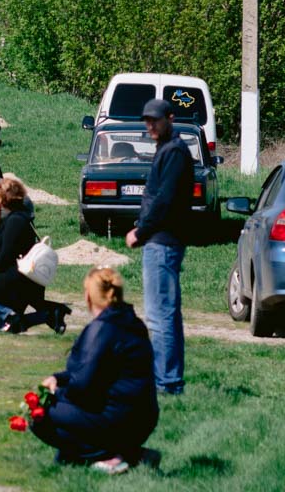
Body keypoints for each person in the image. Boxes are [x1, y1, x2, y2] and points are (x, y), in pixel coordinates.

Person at [33, 267, 159, 473]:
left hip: (118, 417)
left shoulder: (101, 329)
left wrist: (56, 394)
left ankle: (116, 457)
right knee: (59, 411)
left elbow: (84, 386)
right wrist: (58, 378)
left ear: (88, 297)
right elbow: (99, 372)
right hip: (143, 417)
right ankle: (120, 453)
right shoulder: (131, 321)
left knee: (38, 412)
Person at [124, 98, 193, 395]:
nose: (150, 125)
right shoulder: (167, 150)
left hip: (163, 241)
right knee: (166, 313)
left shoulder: (175, 151)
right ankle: (169, 379)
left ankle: (166, 382)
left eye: (156, 120)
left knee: (159, 314)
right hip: (162, 239)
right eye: (147, 120)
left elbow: (165, 200)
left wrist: (141, 230)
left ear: (170, 118)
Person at [0, 178, 69, 334]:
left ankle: (10, 314)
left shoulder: (16, 221)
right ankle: (50, 314)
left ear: (3, 199)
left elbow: (7, 252)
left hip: (18, 277)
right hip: (19, 276)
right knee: (10, 329)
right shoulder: (12, 218)